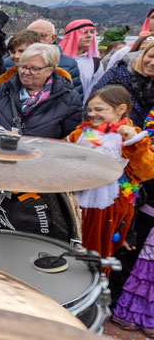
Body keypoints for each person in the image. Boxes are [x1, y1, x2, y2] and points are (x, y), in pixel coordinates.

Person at [67, 85, 154, 261]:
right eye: (89, 110)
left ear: (121, 109)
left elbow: (146, 171)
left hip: (108, 208)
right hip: (76, 200)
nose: (92, 114)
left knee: (96, 253)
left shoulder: (133, 137)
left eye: (99, 109)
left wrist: (134, 142)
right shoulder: (81, 133)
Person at [0, 42, 82, 138]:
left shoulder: (68, 99)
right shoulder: (2, 90)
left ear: (50, 70)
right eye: (22, 67)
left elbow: (71, 141)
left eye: (34, 68)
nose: (26, 72)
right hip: (1, 151)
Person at [91, 36, 154, 125]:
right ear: (143, 55)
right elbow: (92, 106)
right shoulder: (118, 74)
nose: (152, 62)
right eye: (150, 56)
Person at [23, 19, 81, 96]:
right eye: (32, 35)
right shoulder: (12, 61)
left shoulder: (69, 64)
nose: (36, 39)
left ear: (53, 38)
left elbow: (76, 97)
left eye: (42, 36)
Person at [59, 19, 102, 103]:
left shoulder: (95, 62)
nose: (89, 35)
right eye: (84, 32)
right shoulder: (56, 59)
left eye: (92, 32)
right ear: (72, 35)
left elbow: (94, 90)